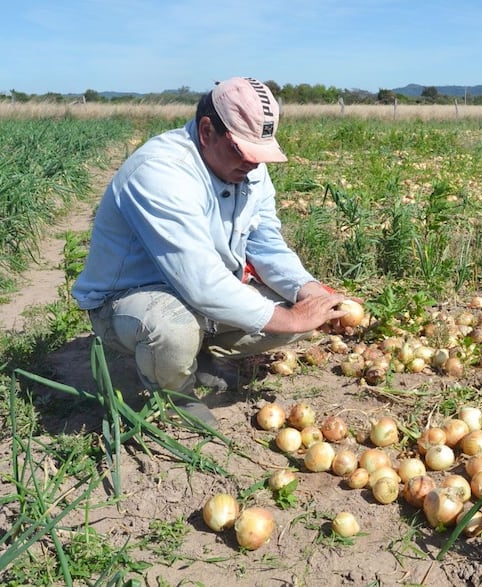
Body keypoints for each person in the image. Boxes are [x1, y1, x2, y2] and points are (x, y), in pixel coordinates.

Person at [72, 76, 349, 427]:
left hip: (200, 291)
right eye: (242, 152)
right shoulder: (161, 172)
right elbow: (202, 282)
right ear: (207, 132)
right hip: (127, 299)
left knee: (301, 309)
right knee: (173, 326)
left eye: (259, 156)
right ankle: (173, 398)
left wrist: (310, 293)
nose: (252, 165)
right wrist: (293, 317)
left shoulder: (251, 171)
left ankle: (197, 356)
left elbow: (266, 244)